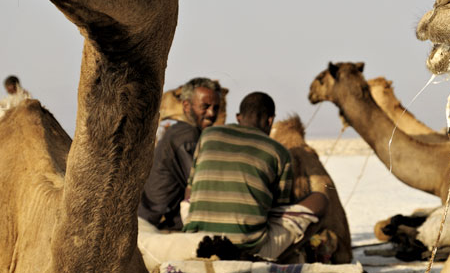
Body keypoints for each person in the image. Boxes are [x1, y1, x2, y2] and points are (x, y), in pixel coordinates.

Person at [183, 92, 327, 260]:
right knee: (320, 201)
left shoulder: (208, 136)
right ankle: (271, 260)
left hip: (196, 240)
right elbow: (278, 210)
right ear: (270, 120)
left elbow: (189, 192)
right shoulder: (278, 152)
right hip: (245, 248)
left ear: (238, 117)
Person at [139, 77, 221, 229]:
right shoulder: (186, 136)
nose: (211, 113)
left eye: (216, 108)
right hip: (160, 225)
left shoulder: (182, 132)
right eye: (205, 106)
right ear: (186, 106)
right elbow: (201, 184)